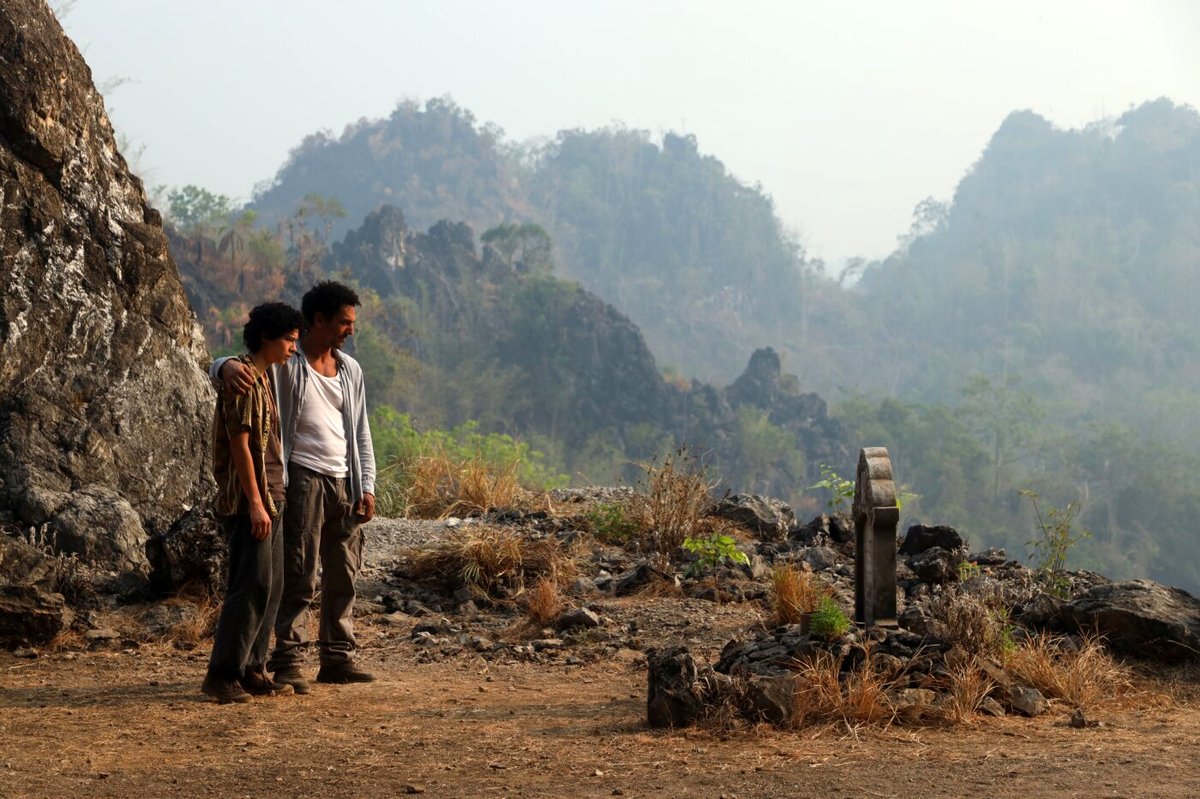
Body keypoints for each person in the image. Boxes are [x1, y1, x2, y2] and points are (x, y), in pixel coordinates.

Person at [213, 281, 377, 693]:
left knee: (343, 573)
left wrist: (367, 485)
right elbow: (243, 364)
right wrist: (223, 366)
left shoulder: (350, 370)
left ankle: (336, 658)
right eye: (344, 322)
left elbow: (361, 431)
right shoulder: (286, 362)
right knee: (296, 575)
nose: (351, 329)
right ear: (318, 320)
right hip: (300, 478)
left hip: (344, 480)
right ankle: (286, 661)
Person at [203, 302, 304, 704]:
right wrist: (256, 503)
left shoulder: (264, 379)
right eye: (289, 340)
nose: (293, 348)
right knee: (250, 585)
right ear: (267, 338)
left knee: (272, 585)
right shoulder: (243, 379)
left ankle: (252, 668)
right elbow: (240, 446)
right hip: (253, 501)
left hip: (273, 496)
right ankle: (222, 674)